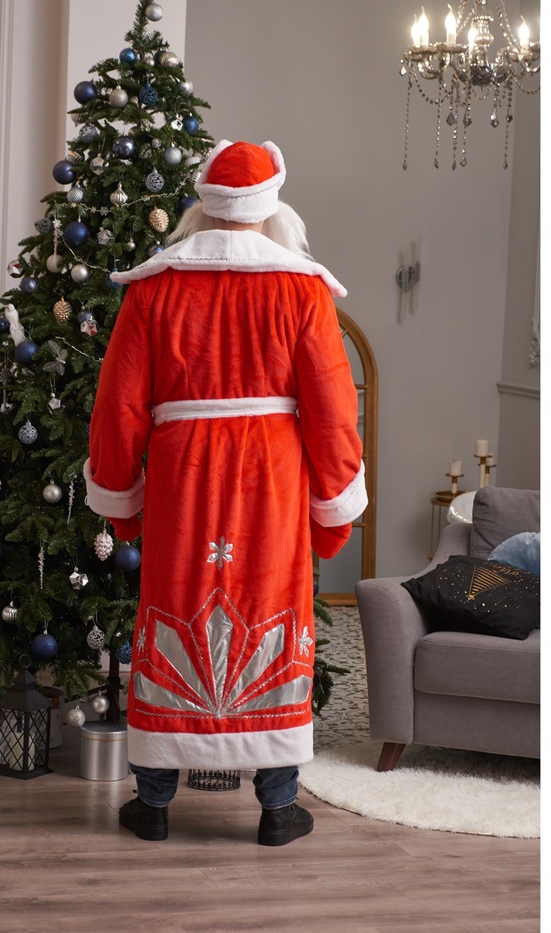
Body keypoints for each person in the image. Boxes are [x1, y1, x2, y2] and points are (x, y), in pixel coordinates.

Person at [84, 139, 367, 846]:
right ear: (271, 209)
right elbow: (334, 407)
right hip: (271, 478)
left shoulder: (154, 287)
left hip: (183, 474)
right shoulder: (301, 287)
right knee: (272, 604)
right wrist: (333, 507)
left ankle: (153, 802)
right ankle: (277, 806)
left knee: (176, 601)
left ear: (204, 206)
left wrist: (119, 496)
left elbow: (118, 404)